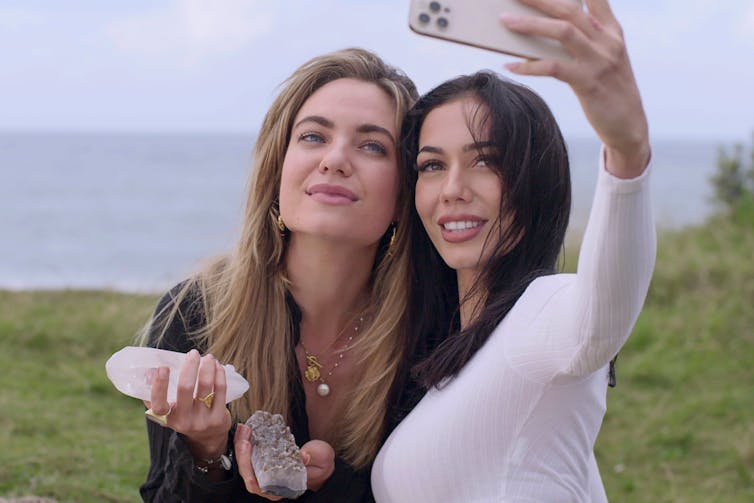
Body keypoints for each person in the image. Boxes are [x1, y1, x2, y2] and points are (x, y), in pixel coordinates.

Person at [372, 0, 656, 501]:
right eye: (432, 166)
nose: (452, 189)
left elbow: (598, 320)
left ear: (534, 183)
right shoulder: (447, 353)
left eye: (486, 162)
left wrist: (627, 152)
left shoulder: (540, 314)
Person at [138, 48, 423, 502]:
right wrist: (207, 454)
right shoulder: (196, 313)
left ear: (406, 187)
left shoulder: (431, 330)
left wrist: (336, 485)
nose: (335, 160)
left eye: (372, 145)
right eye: (313, 137)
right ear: (278, 165)